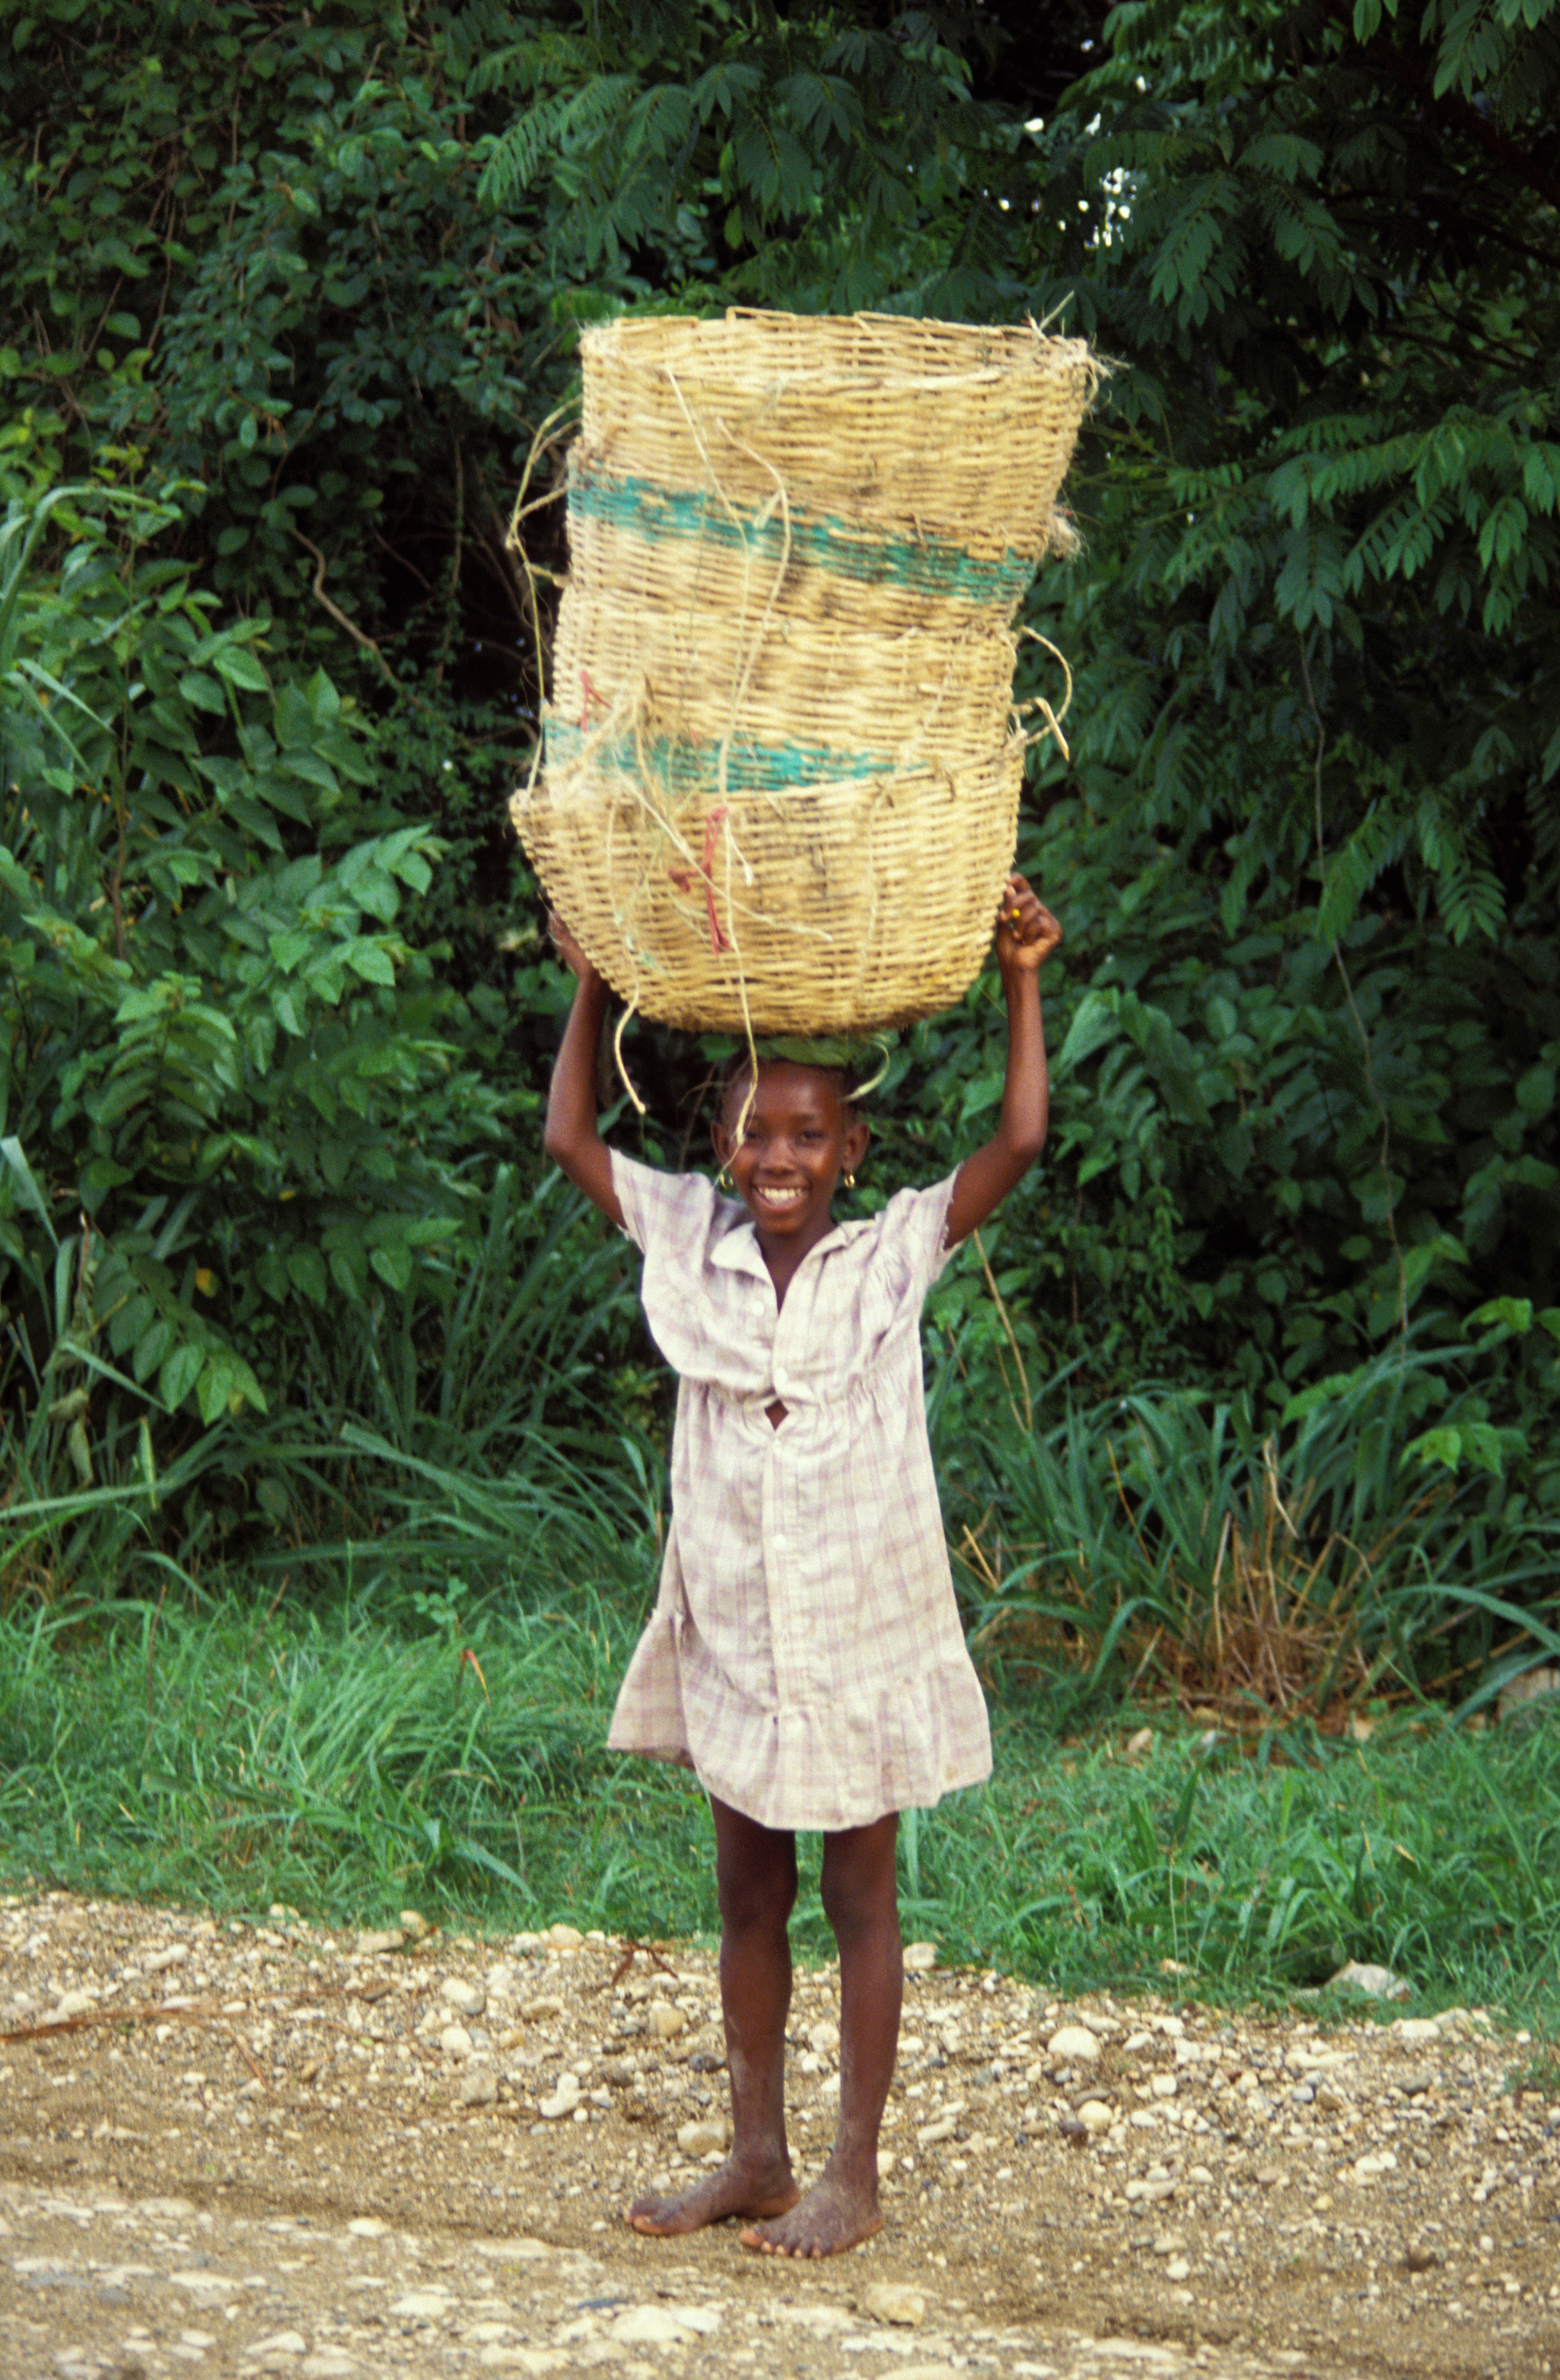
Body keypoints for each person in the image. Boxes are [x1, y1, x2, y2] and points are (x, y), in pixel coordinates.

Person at [543, 873, 1062, 2258]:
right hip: (734, 1628)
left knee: (860, 1894)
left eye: (807, 1134)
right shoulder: (691, 1245)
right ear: (718, 1142)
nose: (779, 1154)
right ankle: (759, 2151)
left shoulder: (890, 1256)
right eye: (755, 1130)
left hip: (861, 1633)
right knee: (746, 1893)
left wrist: (1019, 971)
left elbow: (1021, 1133)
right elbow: (567, 1132)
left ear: (851, 1147)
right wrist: (594, 976)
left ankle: (854, 2169)